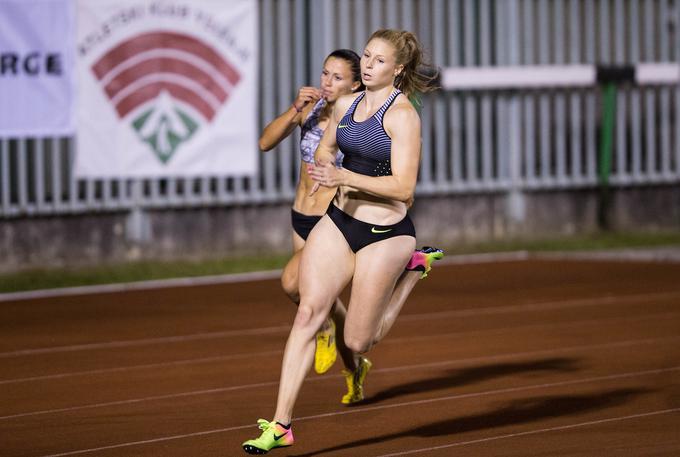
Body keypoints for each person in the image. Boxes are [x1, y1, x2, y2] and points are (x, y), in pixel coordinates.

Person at [242, 30, 440, 455]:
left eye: (379, 60)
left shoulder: (403, 116)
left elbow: (405, 189)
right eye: (366, 56)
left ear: (398, 69)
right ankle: (281, 425)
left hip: (385, 235)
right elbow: (326, 150)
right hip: (338, 222)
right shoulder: (347, 105)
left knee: (357, 342)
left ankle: (413, 271)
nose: (368, 65)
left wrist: (345, 176)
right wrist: (326, 161)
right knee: (308, 312)